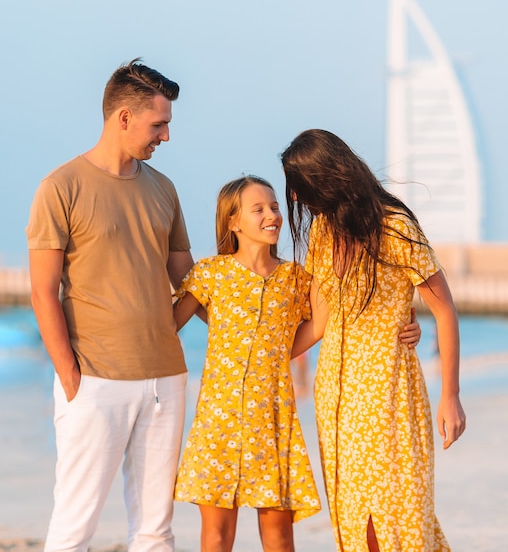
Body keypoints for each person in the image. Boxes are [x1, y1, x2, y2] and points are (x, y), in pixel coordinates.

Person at [172, 175, 423, 552]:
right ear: (233, 222)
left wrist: (407, 318)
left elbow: (324, 323)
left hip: (274, 423)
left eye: (274, 207)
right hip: (218, 424)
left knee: (278, 539)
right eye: (258, 209)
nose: (272, 215)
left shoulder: (296, 279)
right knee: (217, 537)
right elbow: (166, 325)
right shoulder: (211, 274)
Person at [26, 59, 195, 552]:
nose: (165, 137)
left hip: (166, 380)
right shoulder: (61, 187)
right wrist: (70, 377)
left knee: (154, 531)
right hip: (94, 382)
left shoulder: (164, 189)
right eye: (158, 124)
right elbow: (43, 292)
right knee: (74, 528)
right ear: (123, 117)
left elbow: (190, 279)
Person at [283, 129, 467, 552]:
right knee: (352, 520)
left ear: (325, 179)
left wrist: (450, 396)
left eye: (300, 188)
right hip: (337, 400)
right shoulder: (323, 234)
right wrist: (265, 354)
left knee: (399, 515)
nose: (295, 200)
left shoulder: (396, 227)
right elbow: (320, 322)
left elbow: (444, 311)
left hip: (390, 394)